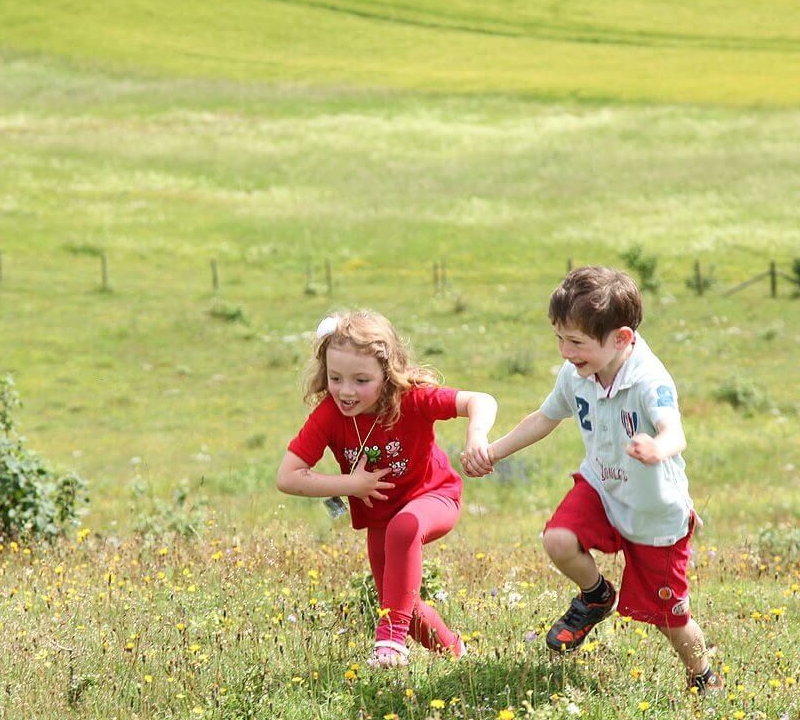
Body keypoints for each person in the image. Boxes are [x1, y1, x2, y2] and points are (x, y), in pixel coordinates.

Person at [462, 267, 722, 694]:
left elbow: (674, 431)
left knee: (670, 621)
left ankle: (703, 678)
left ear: (620, 338)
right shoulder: (576, 374)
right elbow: (544, 418)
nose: (565, 352)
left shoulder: (649, 379)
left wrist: (658, 448)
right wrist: (493, 451)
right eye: (559, 339)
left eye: (576, 342)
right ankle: (596, 596)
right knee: (558, 540)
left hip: (653, 513)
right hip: (602, 487)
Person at [277, 309, 497, 667]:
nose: (346, 391)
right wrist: (352, 484)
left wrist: (476, 436)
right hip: (380, 517)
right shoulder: (330, 415)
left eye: (361, 380)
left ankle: (389, 642)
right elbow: (288, 476)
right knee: (398, 598)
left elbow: (481, 400)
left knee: (405, 528)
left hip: (434, 496)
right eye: (336, 378)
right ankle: (458, 654)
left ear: (387, 371)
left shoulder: (412, 398)